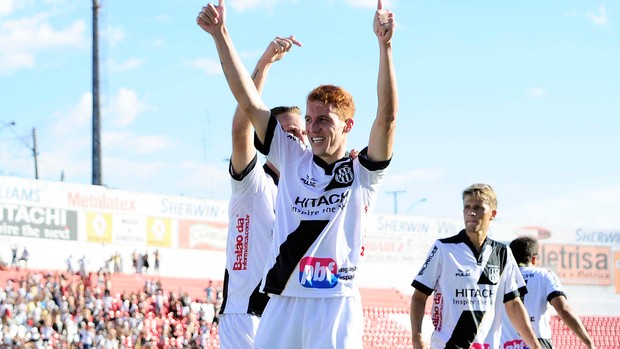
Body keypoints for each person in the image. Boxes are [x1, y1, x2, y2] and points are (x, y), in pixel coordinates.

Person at [197, 0, 397, 347]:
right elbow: (248, 104)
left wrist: (385, 46)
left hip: (335, 303)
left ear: (348, 125)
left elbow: (388, 116)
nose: (312, 128)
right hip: (283, 301)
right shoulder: (291, 156)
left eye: (323, 120)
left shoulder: (362, 171)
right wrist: (220, 34)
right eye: (309, 119)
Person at [218, 36, 304, 349]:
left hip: (286, 317)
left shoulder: (304, 192)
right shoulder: (253, 180)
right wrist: (264, 64)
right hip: (246, 317)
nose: (298, 138)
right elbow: (242, 126)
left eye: (302, 132)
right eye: (290, 132)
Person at [410, 183, 542, 349]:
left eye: (478, 208)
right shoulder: (443, 248)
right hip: (447, 345)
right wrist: (417, 337)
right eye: (467, 207)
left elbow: (513, 304)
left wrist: (535, 345)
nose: (471, 213)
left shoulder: (502, 253)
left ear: (492, 214)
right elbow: (419, 297)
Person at [501, 236, 596, 349]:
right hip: (539, 341)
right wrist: (589, 343)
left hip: (506, 344)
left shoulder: (500, 278)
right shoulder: (544, 275)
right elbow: (563, 309)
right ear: (534, 259)